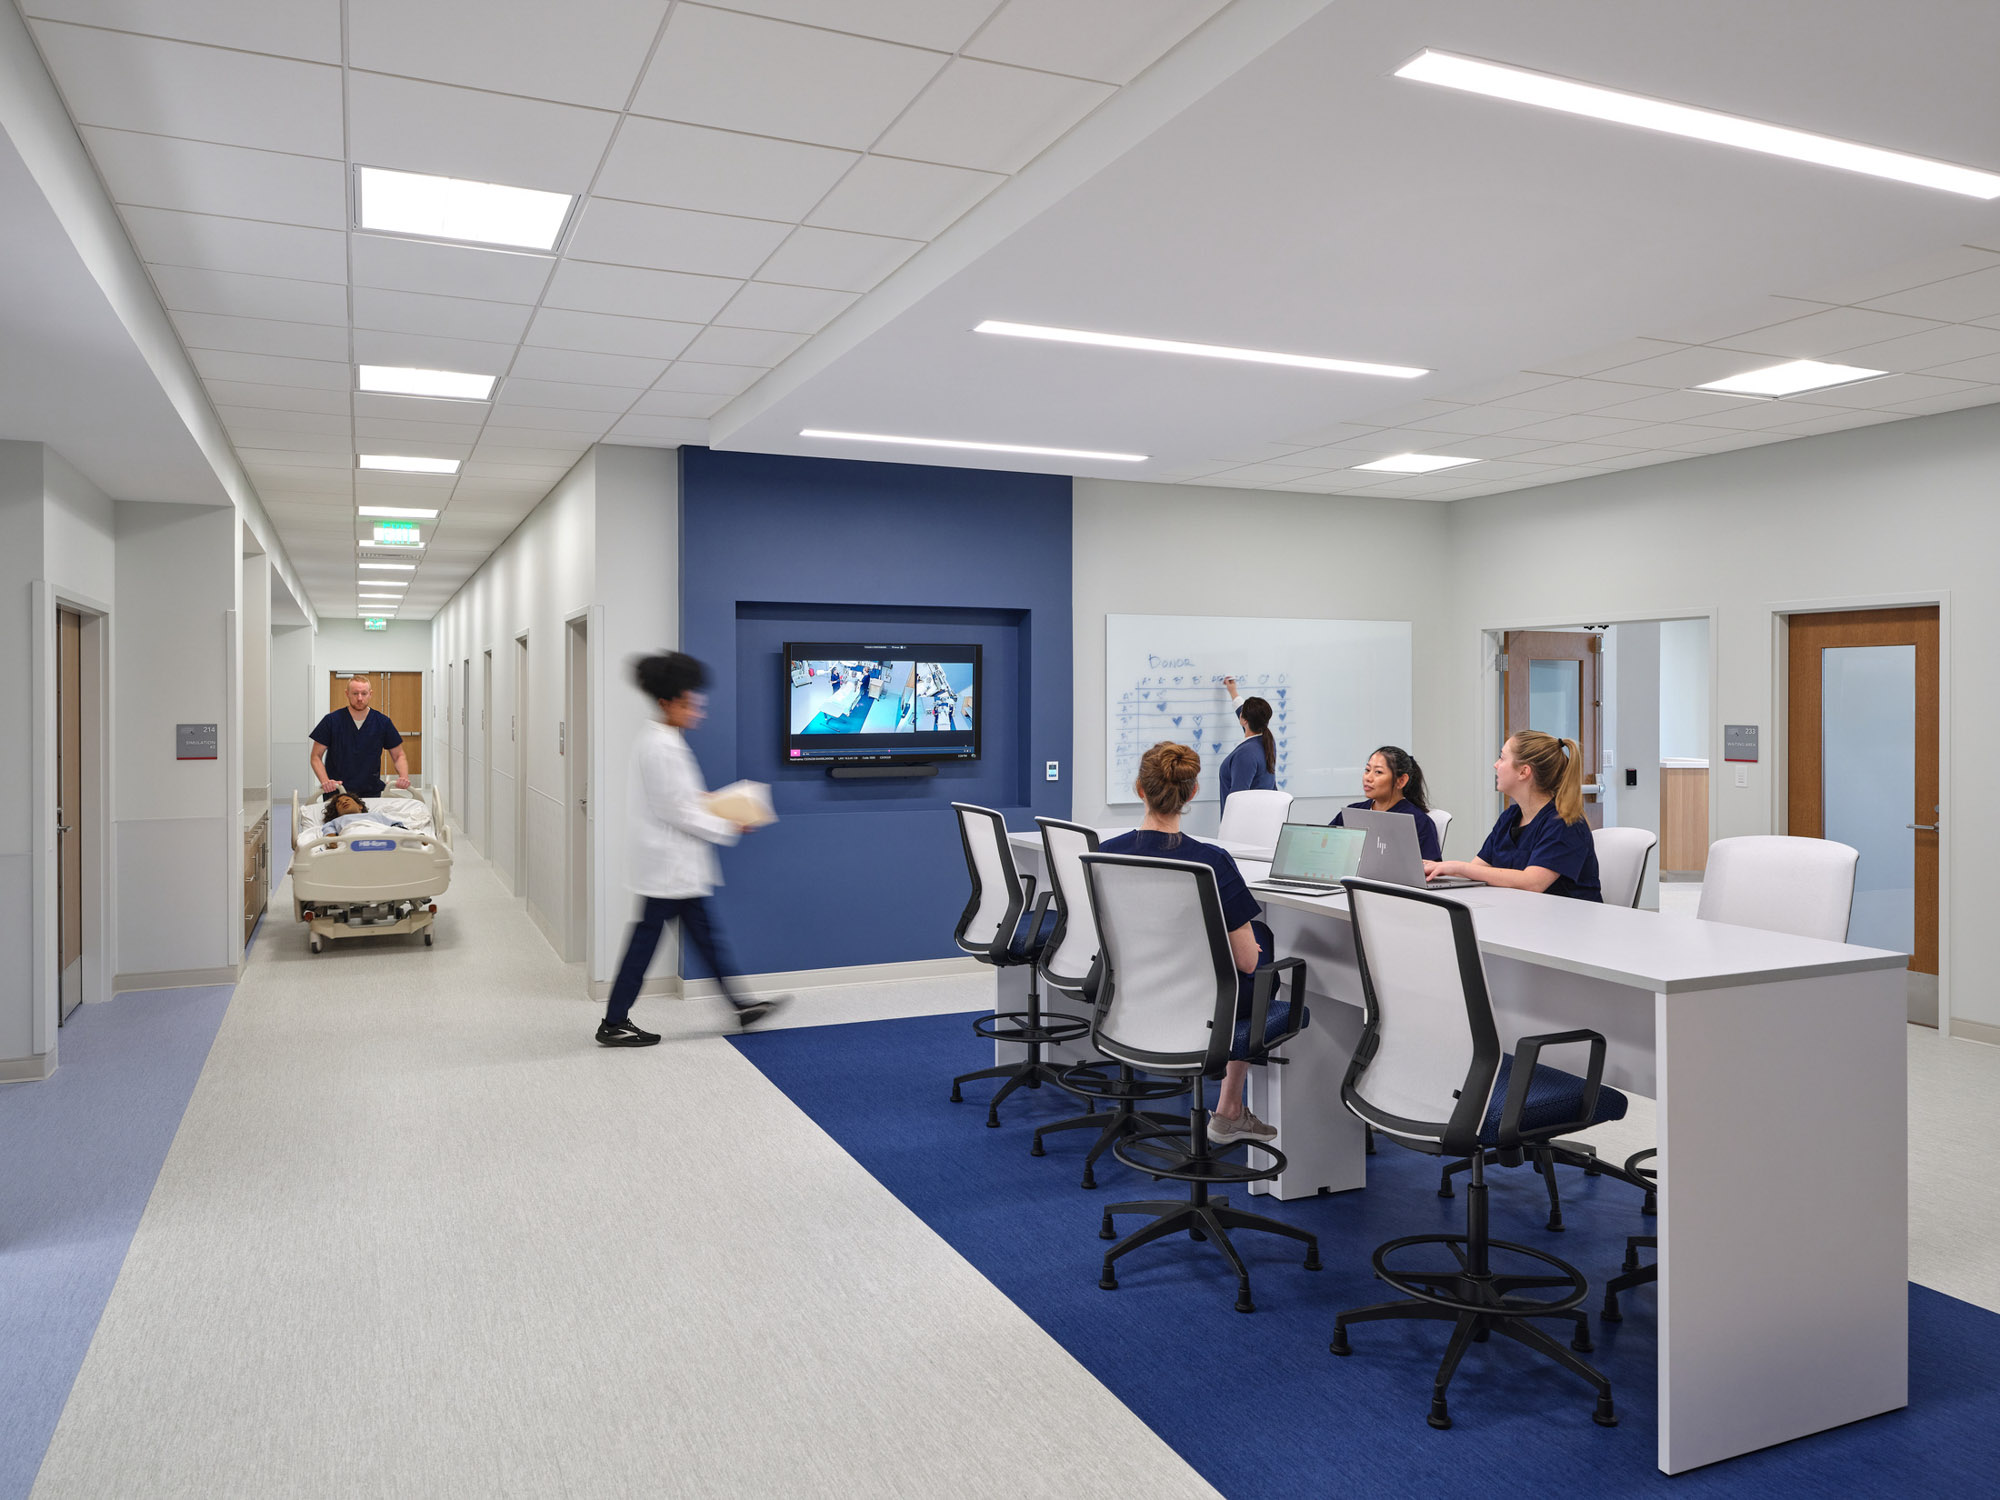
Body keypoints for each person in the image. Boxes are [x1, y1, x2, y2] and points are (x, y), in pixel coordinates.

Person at [1100, 741, 1299, 1145]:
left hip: (1135, 998)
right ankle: (1229, 1107)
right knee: (1262, 947)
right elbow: (1246, 962)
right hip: (1206, 1006)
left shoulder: (1107, 855)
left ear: (1139, 788)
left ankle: (1230, 1109)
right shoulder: (1211, 861)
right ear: (1192, 793)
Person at [599, 652, 788, 1047]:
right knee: (649, 943)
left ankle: (740, 1006)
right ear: (667, 703)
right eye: (689, 702)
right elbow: (676, 810)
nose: (697, 709)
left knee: (700, 936)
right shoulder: (662, 746)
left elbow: (680, 799)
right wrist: (728, 822)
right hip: (670, 866)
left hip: (673, 865)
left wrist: (713, 803)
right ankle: (614, 1021)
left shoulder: (662, 740)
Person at [1424, 731, 1602, 901]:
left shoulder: (1564, 822)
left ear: (1524, 772)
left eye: (1502, 757)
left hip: (1566, 923)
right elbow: (1478, 868)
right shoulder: (1510, 817)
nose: (1496, 764)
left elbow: (1533, 883)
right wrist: (1438, 869)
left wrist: (1458, 866)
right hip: (1522, 916)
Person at [1331, 745, 1442, 861]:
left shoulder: (1419, 822)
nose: (1368, 778)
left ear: (1401, 781)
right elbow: (1326, 847)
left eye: (1378, 772)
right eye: (1367, 770)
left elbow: (1431, 869)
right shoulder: (1352, 813)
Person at [310, 675, 410, 799]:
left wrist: (403, 777)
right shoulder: (331, 721)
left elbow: (398, 755)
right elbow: (315, 756)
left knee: (369, 819)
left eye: (364, 693)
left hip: (370, 792)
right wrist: (326, 781)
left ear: (370, 694)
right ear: (347, 694)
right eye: (355, 693)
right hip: (337, 791)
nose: (359, 698)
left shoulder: (382, 722)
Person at [1217, 677, 1277, 810]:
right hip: (1261, 818)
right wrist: (1233, 691)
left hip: (1242, 826)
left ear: (1243, 720)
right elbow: (1243, 711)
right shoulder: (1267, 741)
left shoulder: (1246, 754)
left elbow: (1237, 801)